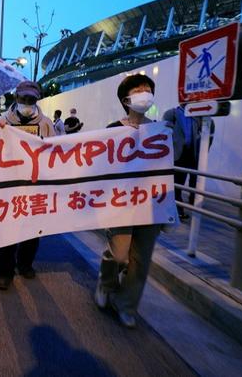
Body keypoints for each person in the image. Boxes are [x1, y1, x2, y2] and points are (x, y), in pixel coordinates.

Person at [94, 73, 162, 329]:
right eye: (139, 89)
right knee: (119, 254)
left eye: (148, 88)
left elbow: (166, 168)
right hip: (120, 203)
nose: (145, 93)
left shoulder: (158, 130)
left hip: (150, 204)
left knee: (140, 260)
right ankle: (106, 282)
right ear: (126, 98)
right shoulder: (113, 130)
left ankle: (127, 305)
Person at [0, 81, 56, 290]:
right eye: (24, 99)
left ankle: (25, 263)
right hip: (9, 186)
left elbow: (54, 153)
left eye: (31, 99)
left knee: (32, 230)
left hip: (35, 185)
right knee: (6, 230)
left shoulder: (46, 124)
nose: (27, 103)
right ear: (16, 98)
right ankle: (5, 272)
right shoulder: (3, 121)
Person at [162, 104, 214, 222]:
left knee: (195, 182)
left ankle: (193, 203)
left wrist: (204, 152)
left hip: (194, 155)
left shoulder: (198, 115)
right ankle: (179, 211)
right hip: (178, 156)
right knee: (177, 185)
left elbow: (209, 132)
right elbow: (164, 135)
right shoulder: (172, 114)